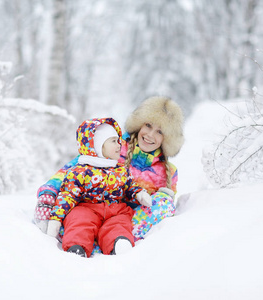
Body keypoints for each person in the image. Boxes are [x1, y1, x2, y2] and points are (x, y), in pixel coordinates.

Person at [34, 96, 184, 253]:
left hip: (123, 220)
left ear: (167, 138)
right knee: (79, 217)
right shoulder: (113, 147)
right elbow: (74, 171)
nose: (150, 135)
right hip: (90, 211)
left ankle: (118, 242)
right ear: (139, 124)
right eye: (148, 125)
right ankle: (82, 240)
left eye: (159, 131)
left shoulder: (168, 171)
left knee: (164, 202)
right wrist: (48, 193)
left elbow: (157, 213)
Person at [45, 117, 152, 257]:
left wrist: (139, 194)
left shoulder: (121, 170)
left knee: (119, 223)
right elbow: (67, 195)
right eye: (113, 141)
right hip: (87, 208)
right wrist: (56, 219)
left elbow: (130, 186)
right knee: (78, 220)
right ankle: (77, 247)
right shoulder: (80, 171)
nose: (119, 145)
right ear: (96, 145)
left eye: (119, 140)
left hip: (115, 210)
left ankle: (118, 242)